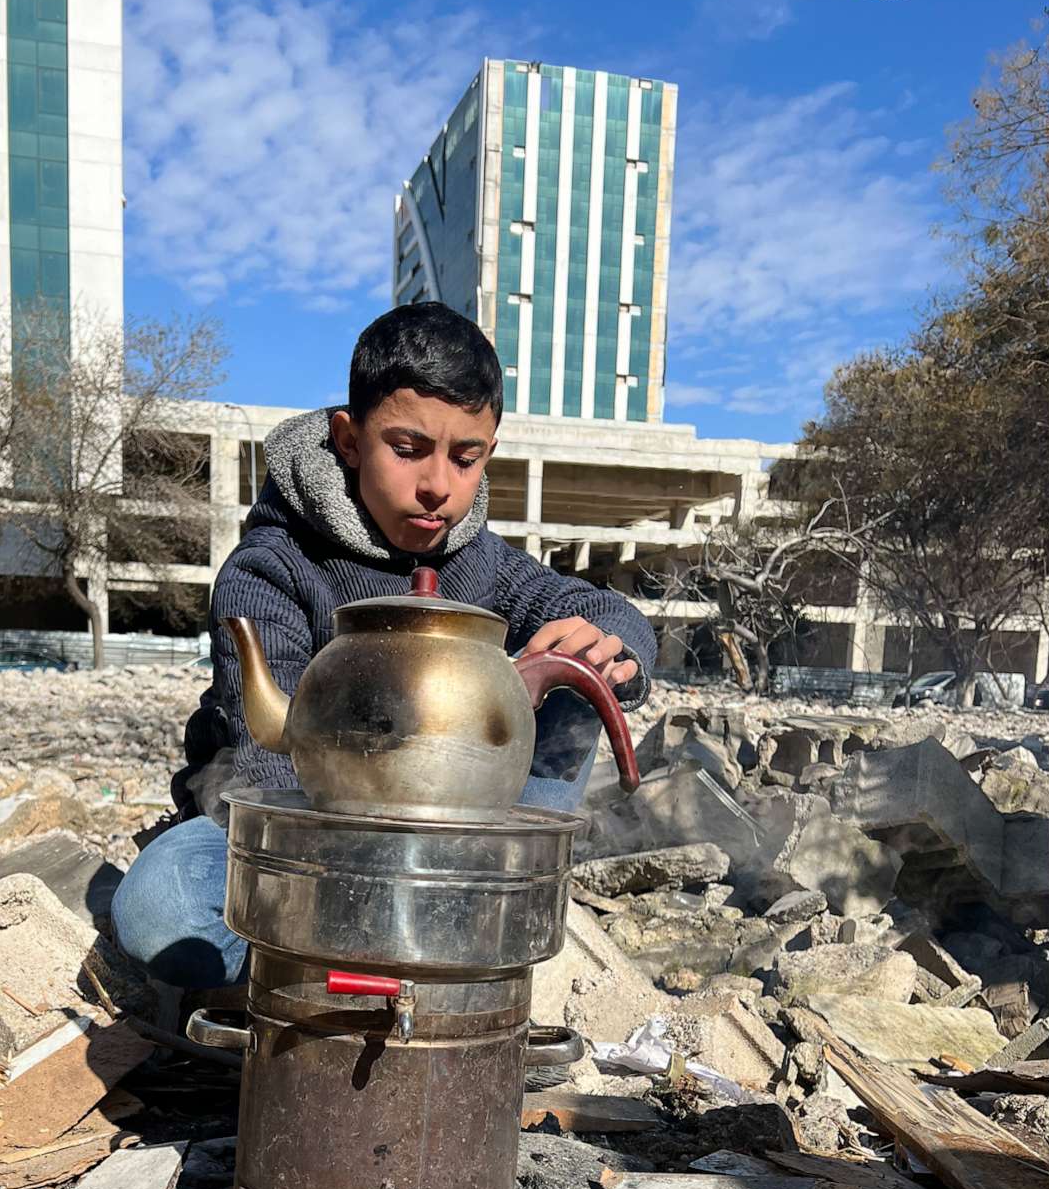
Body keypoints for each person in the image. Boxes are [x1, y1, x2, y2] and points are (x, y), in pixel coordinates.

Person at [112, 302, 657, 988]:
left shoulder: (482, 564)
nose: (438, 487)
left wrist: (612, 645)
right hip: (296, 837)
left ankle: (494, 906)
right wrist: (374, 901)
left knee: (574, 669)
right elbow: (269, 776)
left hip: (461, 844)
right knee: (161, 910)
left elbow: (602, 609)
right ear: (348, 439)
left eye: (467, 460)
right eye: (407, 450)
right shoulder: (273, 569)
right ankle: (429, 956)